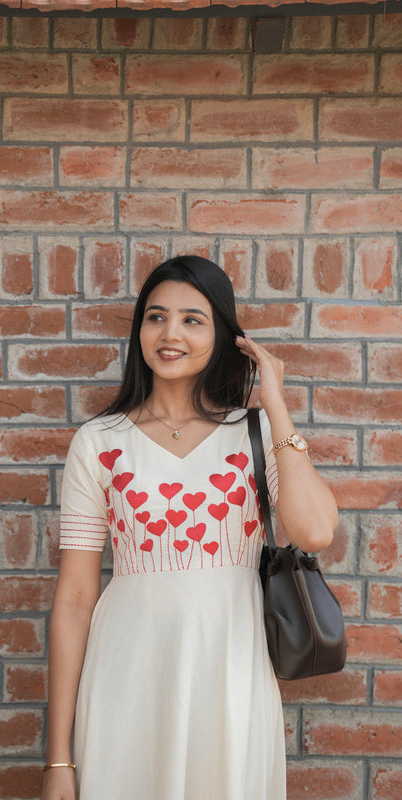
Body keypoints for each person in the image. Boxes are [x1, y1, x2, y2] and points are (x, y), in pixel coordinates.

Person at [42, 255, 338, 800]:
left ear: (223, 335)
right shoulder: (99, 442)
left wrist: (273, 402)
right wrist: (58, 757)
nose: (170, 333)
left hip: (232, 674)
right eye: (155, 317)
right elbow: (75, 598)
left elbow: (315, 532)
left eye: (192, 319)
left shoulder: (251, 433)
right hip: (127, 673)